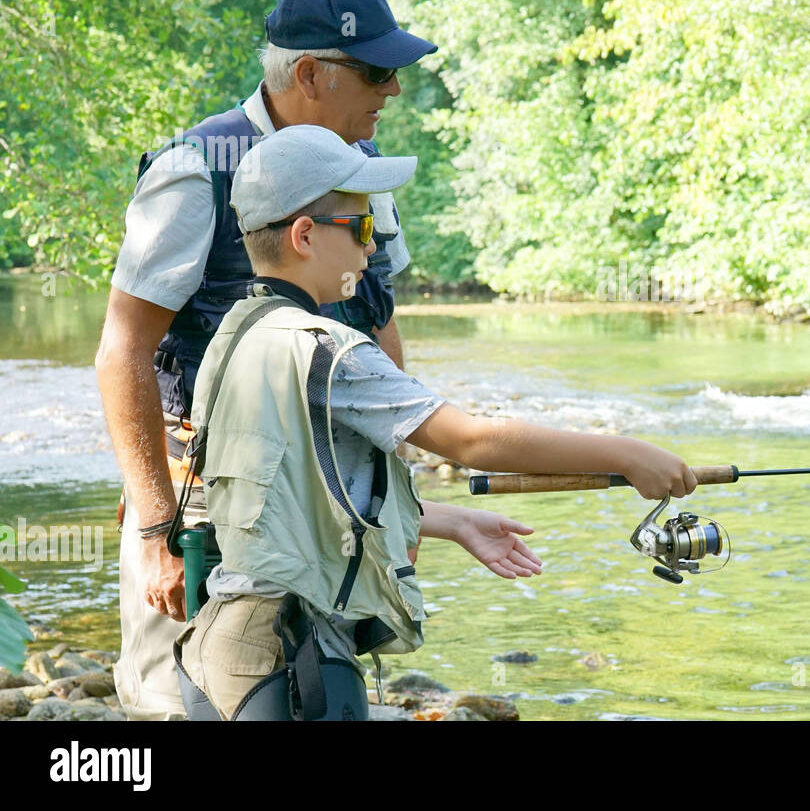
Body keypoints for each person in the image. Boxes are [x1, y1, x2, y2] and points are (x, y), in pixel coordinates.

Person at [174, 125, 697, 720]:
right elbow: (471, 440)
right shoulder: (328, 349)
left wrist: (445, 520)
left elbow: (290, 496)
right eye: (364, 228)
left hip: (221, 643)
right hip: (287, 659)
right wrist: (625, 453)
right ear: (304, 235)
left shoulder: (237, 332)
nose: (372, 250)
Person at [95, 0, 438, 719]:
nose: (394, 90)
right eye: (378, 71)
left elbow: (380, 330)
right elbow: (121, 352)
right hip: (199, 514)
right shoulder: (193, 170)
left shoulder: (363, 173)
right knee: (176, 703)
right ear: (310, 73)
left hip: (325, 524)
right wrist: (156, 530)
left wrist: (396, 507)